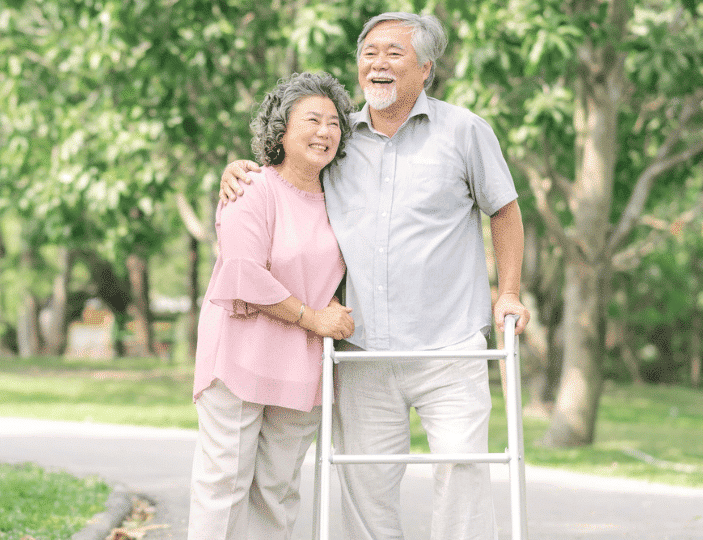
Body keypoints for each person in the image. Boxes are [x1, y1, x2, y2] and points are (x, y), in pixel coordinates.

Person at [220, 12, 531, 540]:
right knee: (365, 487)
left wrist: (509, 292)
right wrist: (237, 168)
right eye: (369, 53)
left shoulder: (465, 130)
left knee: (462, 470)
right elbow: (287, 175)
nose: (378, 64)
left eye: (394, 53)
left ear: (426, 68)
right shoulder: (336, 139)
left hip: (450, 347)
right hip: (363, 350)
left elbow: (504, 210)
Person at [189, 72, 356, 540]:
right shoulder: (251, 187)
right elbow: (242, 272)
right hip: (240, 357)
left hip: (301, 365)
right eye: (312, 119)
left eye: (334, 122)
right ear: (280, 130)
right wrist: (312, 317)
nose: (325, 131)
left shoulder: (342, 199)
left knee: (278, 491)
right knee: (224, 484)